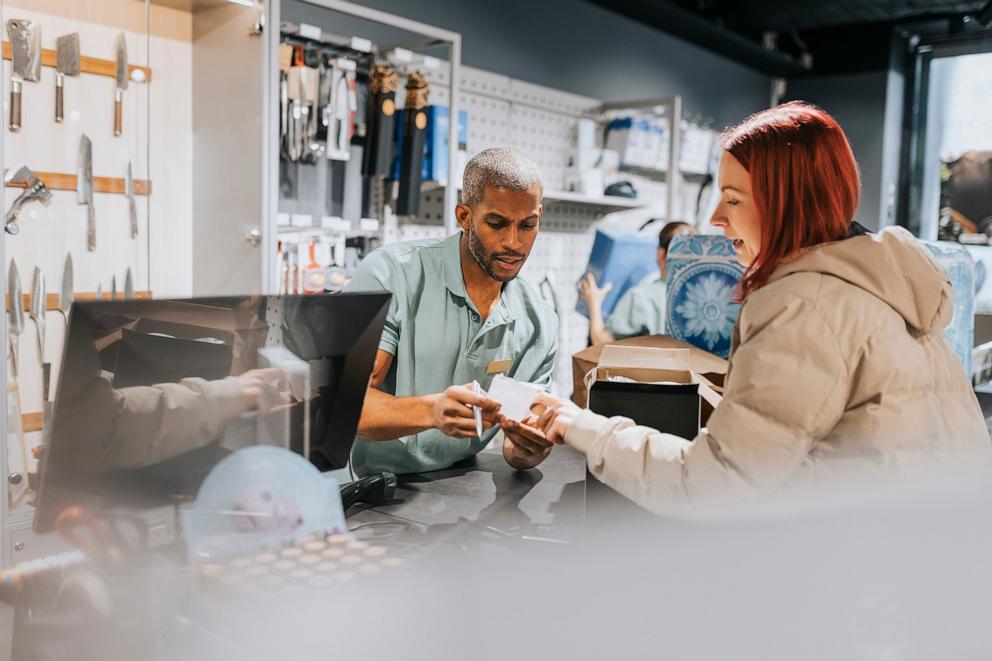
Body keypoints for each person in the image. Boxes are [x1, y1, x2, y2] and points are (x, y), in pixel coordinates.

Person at [528, 101, 991, 515]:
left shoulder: (803, 306)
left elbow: (711, 484)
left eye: (732, 199)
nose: (715, 218)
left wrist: (583, 427)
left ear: (787, 202)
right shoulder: (890, 287)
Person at [346, 147, 558, 476]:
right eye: (497, 223)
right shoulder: (390, 274)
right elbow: (346, 405)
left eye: (527, 225)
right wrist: (432, 411)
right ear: (464, 217)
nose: (513, 243)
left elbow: (516, 450)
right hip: (370, 488)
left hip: (457, 487)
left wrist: (527, 448)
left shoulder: (538, 322)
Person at [579, 221, 696, 345]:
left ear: (660, 254)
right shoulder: (705, 301)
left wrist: (594, 302)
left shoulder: (640, 298)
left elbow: (603, 344)